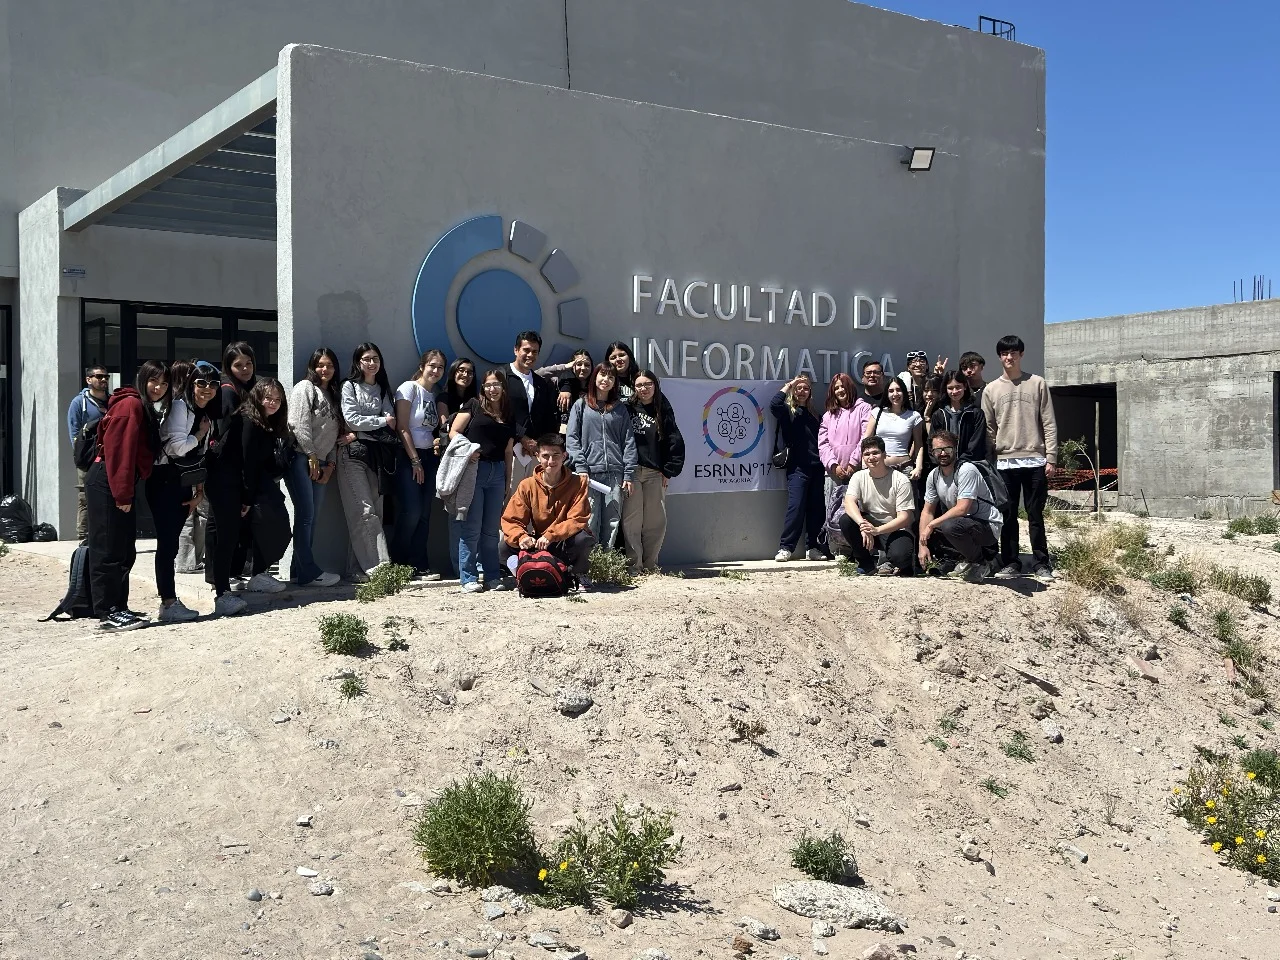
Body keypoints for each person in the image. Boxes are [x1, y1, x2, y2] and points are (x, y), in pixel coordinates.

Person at [84, 364, 162, 631]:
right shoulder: (131, 406)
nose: (159, 388)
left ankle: (119, 606)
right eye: (153, 381)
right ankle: (108, 611)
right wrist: (122, 493)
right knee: (109, 548)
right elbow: (120, 452)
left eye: (163, 383)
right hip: (109, 480)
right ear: (142, 380)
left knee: (123, 547)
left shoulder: (138, 404)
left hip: (115, 480)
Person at [981, 334, 1058, 580]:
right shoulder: (991, 389)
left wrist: (1052, 457)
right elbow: (989, 428)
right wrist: (989, 461)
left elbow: (1049, 422)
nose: (1009, 357)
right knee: (1008, 515)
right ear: (999, 356)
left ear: (1021, 355)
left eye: (1013, 352)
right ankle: (1011, 562)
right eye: (1004, 353)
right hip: (1004, 461)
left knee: (1035, 514)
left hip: (1035, 459)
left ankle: (1041, 563)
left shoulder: (1037, 384)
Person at [146, 359, 212, 623]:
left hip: (181, 481)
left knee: (170, 543)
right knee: (167, 544)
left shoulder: (194, 410)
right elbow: (177, 448)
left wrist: (198, 490)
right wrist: (199, 434)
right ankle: (168, 602)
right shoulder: (179, 407)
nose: (205, 388)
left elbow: (196, 456)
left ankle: (170, 600)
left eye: (210, 384)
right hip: (165, 480)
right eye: (197, 381)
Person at [449, 368, 516, 592]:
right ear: (483, 388)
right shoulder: (474, 405)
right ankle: (468, 578)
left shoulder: (508, 413)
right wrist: (468, 450)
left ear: (503, 388)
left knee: (490, 530)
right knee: (471, 527)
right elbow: (454, 431)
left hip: (497, 472)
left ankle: (491, 576)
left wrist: (508, 480)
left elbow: (508, 451)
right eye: (488, 385)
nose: (492, 389)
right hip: (474, 470)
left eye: (496, 384)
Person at [204, 342, 257, 616]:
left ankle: (217, 581)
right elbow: (237, 443)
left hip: (227, 473)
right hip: (227, 474)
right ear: (228, 367)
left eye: (248, 363)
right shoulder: (229, 393)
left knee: (220, 529)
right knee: (226, 533)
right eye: (238, 365)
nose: (245, 369)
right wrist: (246, 490)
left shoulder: (246, 390)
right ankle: (222, 593)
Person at [500, 433, 597, 584]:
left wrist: (552, 535)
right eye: (545, 456)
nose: (551, 461)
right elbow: (511, 520)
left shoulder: (578, 483)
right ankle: (524, 573)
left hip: (563, 540)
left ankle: (578, 574)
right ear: (537, 456)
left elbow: (578, 519)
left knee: (583, 539)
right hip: (538, 541)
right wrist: (522, 537)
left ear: (564, 456)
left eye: (556, 455)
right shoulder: (527, 485)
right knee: (505, 545)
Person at [285, 348, 344, 587]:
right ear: (312, 366)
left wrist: (330, 464)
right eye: (320, 364)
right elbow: (297, 424)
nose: (325, 369)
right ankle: (309, 571)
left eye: (329, 365)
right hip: (301, 458)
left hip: (321, 462)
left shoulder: (333, 395)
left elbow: (334, 434)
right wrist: (310, 454)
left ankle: (298, 571)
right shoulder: (304, 388)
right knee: (306, 516)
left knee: (313, 518)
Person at [339, 341, 396, 580]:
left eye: (375, 358)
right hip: (352, 455)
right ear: (358, 363)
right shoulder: (349, 387)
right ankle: (381, 567)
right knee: (364, 512)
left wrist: (365, 428)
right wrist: (380, 422)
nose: (371, 363)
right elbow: (352, 421)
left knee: (375, 513)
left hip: (377, 456)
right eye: (366, 359)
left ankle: (356, 569)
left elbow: (393, 422)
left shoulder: (383, 389)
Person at [567, 363, 637, 551]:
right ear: (595, 378)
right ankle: (589, 565)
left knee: (612, 521)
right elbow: (572, 438)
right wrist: (581, 467)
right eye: (602, 375)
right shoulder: (581, 405)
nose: (606, 380)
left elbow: (628, 441)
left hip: (615, 473)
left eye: (611, 377)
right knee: (590, 519)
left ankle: (604, 564)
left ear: (615, 382)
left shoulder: (620, 409)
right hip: (589, 474)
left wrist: (628, 473)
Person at [621, 370, 684, 574]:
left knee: (655, 521)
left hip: (654, 473)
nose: (643, 388)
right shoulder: (627, 409)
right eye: (639, 385)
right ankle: (634, 566)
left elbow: (674, 440)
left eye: (647, 384)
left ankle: (650, 565)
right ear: (634, 388)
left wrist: (669, 470)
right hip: (631, 472)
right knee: (632, 521)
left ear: (655, 385)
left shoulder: (662, 409)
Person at [391, 348, 447, 580]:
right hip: (409, 457)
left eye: (440, 367)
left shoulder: (436, 395)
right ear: (422, 366)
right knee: (411, 511)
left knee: (424, 513)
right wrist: (414, 460)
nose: (435, 370)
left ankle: (419, 565)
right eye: (432, 365)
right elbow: (402, 426)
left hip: (429, 457)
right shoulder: (408, 388)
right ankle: (398, 563)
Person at [918, 430, 1002, 583]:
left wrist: (932, 524)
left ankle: (980, 562)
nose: (943, 453)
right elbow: (927, 511)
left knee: (948, 525)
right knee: (934, 526)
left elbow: (963, 508)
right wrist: (922, 545)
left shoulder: (966, 469)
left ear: (955, 449)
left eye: (947, 449)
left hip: (988, 526)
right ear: (932, 452)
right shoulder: (934, 475)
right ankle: (958, 559)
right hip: (965, 523)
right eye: (938, 450)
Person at [237, 378, 294, 592]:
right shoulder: (249, 422)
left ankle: (259, 573)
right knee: (270, 529)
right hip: (250, 488)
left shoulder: (268, 424)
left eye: (277, 399)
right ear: (258, 398)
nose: (272, 403)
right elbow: (246, 461)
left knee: (277, 529)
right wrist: (246, 498)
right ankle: (256, 575)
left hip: (262, 486)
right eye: (268, 398)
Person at [838, 436, 915, 575]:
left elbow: (905, 517)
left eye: (875, 453)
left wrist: (877, 530)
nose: (871, 457)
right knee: (846, 520)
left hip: (896, 528)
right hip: (871, 523)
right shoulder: (858, 476)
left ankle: (904, 563)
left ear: (884, 455)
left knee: (901, 557)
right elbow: (849, 502)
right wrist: (862, 524)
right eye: (867, 454)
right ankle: (865, 563)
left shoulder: (900, 479)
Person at [770, 373, 826, 562]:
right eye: (799, 388)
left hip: (817, 467)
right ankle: (786, 547)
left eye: (806, 388)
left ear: (810, 392)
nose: (802, 391)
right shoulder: (788, 412)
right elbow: (774, 404)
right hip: (797, 468)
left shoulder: (816, 415)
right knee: (796, 507)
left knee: (816, 509)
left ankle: (814, 548)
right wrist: (790, 384)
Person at [506, 331, 560, 495]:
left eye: (535, 352)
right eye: (526, 350)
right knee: (510, 502)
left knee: (534, 503)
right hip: (510, 453)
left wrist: (540, 446)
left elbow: (549, 418)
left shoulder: (541, 383)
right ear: (516, 350)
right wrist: (522, 438)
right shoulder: (501, 377)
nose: (530, 355)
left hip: (535, 454)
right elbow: (496, 415)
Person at [67, 364, 110, 538]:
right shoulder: (79, 402)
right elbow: (74, 431)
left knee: (107, 495)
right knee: (85, 497)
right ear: (88, 379)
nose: (103, 380)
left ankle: (103, 534)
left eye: (106, 377)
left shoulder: (111, 401)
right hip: (87, 457)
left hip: (107, 456)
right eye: (99, 377)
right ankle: (83, 536)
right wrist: (81, 454)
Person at [818, 372, 873, 498]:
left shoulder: (863, 408)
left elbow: (866, 437)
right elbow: (823, 445)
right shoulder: (828, 416)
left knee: (857, 512)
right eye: (836, 388)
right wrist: (833, 465)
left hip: (858, 470)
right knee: (832, 513)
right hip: (833, 474)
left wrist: (853, 462)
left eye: (843, 386)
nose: (840, 390)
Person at [865, 377, 924, 483]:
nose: (895, 394)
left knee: (906, 500)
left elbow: (919, 445)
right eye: (891, 391)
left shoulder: (914, 416)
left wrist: (918, 467)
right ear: (887, 394)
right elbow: (866, 440)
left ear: (904, 392)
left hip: (905, 469)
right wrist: (864, 464)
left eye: (898, 390)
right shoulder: (877, 412)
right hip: (879, 468)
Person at [929, 370, 988, 464]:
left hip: (970, 466)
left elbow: (977, 444)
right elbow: (933, 443)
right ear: (945, 389)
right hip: (945, 467)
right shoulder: (939, 415)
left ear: (965, 386)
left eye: (958, 387)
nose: (954, 391)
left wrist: (961, 462)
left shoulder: (976, 413)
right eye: (950, 388)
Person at [536, 348, 593, 435]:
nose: (583, 368)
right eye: (578, 364)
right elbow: (537, 375)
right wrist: (565, 367)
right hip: (559, 434)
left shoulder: (596, 388)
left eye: (587, 365)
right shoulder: (559, 383)